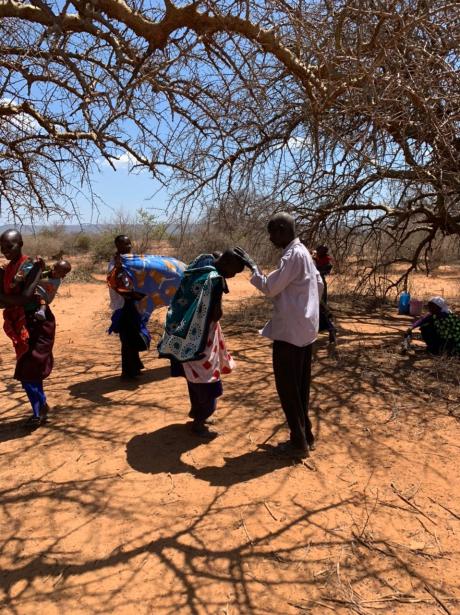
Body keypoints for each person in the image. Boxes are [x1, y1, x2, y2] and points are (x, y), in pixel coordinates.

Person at [235, 213, 324, 459]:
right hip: (305, 330)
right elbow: (319, 285)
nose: (271, 238)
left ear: (283, 230)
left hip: (290, 334)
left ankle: (299, 442)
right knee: (300, 387)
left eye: (273, 232)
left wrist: (252, 266)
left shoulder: (292, 255)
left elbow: (269, 286)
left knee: (288, 389)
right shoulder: (304, 253)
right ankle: (306, 435)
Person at [158, 250, 245, 438]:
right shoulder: (214, 280)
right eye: (234, 272)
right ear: (227, 263)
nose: (232, 276)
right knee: (208, 381)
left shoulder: (201, 262)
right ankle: (199, 421)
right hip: (201, 340)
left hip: (183, 334)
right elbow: (216, 314)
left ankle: (198, 414)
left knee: (193, 377)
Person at [0, 229, 55, 428]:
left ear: (21, 243)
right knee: (27, 368)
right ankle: (41, 406)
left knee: (28, 370)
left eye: (10, 246)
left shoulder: (31, 265)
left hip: (37, 322)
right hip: (20, 324)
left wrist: (4, 299)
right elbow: (7, 301)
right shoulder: (7, 269)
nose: (6, 251)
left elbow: (24, 297)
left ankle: (38, 412)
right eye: (2, 247)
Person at [107, 235, 149, 380]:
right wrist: (132, 295)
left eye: (130, 243)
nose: (129, 246)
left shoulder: (129, 261)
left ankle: (135, 367)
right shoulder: (115, 264)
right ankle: (127, 372)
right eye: (125, 244)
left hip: (132, 303)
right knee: (127, 339)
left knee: (133, 335)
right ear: (118, 245)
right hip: (124, 305)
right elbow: (114, 284)